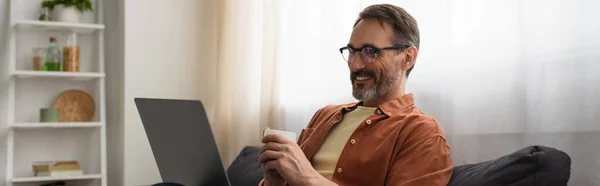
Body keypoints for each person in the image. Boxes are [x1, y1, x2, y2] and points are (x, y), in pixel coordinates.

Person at [259, 4, 453, 186]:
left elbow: (304, 177)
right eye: (352, 52)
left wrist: (307, 177)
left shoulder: (421, 132)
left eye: (371, 52)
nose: (356, 64)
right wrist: (275, 181)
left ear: (407, 58)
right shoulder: (324, 115)